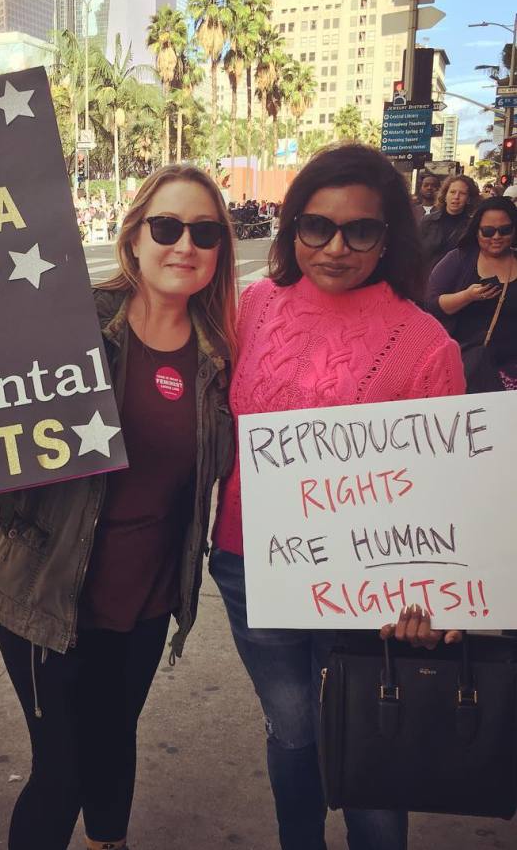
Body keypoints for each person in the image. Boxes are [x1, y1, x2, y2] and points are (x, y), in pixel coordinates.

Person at [0, 164, 237, 850]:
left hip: (146, 600)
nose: (183, 244)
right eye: (166, 227)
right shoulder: (72, 326)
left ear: (220, 249)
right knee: (61, 768)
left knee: (112, 742)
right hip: (46, 591)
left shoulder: (220, 356)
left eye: (204, 232)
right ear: (134, 238)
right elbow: (3, 439)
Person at [209, 143, 465, 850]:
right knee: (290, 731)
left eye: (360, 229)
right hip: (247, 563)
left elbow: (444, 497)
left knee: (367, 739)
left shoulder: (424, 344)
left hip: (369, 585)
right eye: (315, 225)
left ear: (389, 238)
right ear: (292, 226)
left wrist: (430, 596)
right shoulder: (256, 304)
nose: (334, 246)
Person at [426, 196, 517, 392]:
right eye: (488, 231)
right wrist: (467, 296)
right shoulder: (459, 259)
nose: (496, 237)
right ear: (476, 230)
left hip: (511, 375)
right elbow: (431, 304)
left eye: (505, 230)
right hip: (467, 368)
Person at [419, 174, 479, 272]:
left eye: (462, 193)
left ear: (469, 199)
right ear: (445, 195)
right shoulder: (427, 221)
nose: (456, 197)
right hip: (427, 278)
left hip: (457, 280)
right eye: (452, 192)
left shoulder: (472, 226)